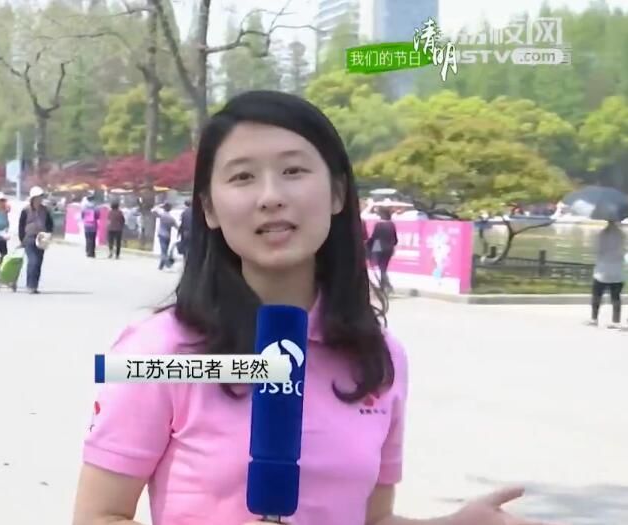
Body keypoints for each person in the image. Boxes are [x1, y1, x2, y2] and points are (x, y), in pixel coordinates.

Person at [73, 90, 541, 525]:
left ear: (337, 193)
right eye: (242, 177)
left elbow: (372, 519)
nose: (271, 196)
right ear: (209, 208)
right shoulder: (155, 352)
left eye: (293, 171)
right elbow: (97, 516)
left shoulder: (380, 358)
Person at [589, 217, 626, 329]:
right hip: (617, 271)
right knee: (616, 297)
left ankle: (594, 319)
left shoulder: (602, 234)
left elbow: (597, 250)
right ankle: (616, 321)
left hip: (602, 270)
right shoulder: (622, 235)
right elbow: (623, 250)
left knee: (597, 295)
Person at [17, 186, 53, 294]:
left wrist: (49, 233)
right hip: (29, 238)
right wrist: (22, 239)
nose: (39, 199)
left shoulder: (45, 210)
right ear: (32, 198)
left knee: (38, 262)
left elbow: (50, 223)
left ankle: (35, 286)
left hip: (42, 238)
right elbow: (21, 225)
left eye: (41, 197)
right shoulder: (26, 210)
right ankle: (30, 285)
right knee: (33, 261)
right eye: (37, 197)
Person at [367, 208, 398, 294]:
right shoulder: (392, 224)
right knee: (383, 267)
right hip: (389, 248)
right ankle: (383, 285)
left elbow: (374, 237)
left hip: (379, 247)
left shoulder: (379, 225)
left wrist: (368, 244)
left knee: (379, 267)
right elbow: (395, 239)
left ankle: (386, 285)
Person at [153, 202, 177, 270]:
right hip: (168, 236)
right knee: (165, 251)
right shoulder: (171, 218)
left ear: (164, 208)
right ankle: (161, 266)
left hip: (161, 235)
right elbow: (177, 227)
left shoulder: (162, 215)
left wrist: (159, 206)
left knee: (163, 252)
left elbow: (153, 211)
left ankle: (168, 264)